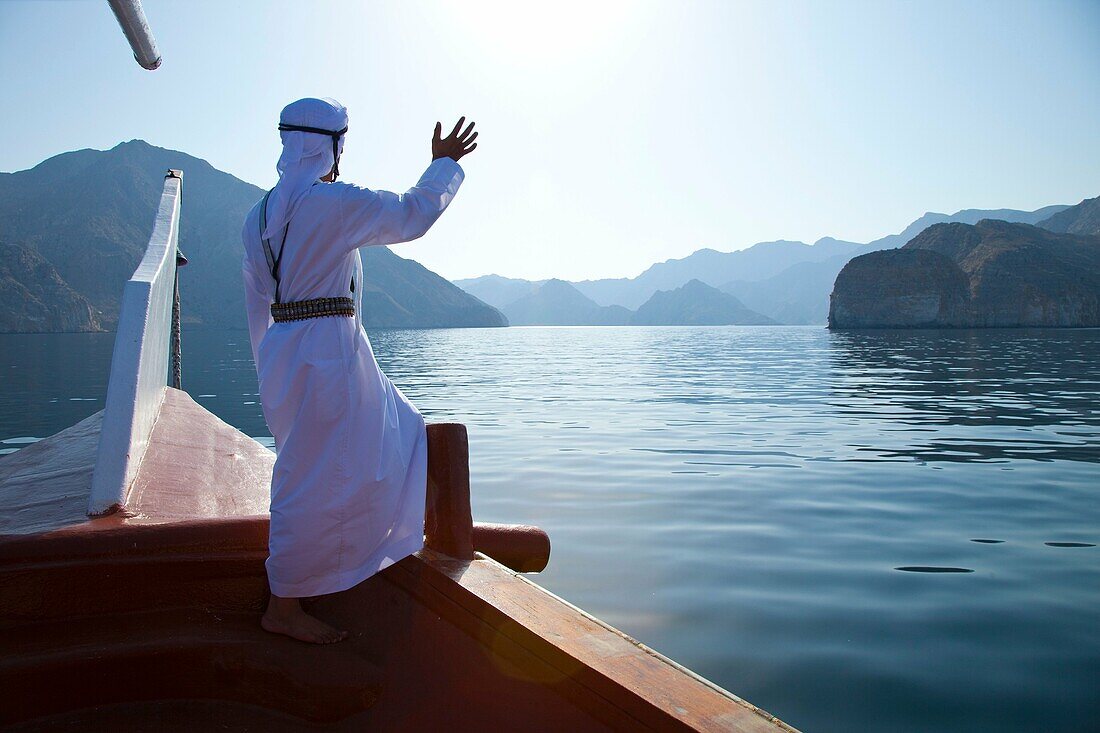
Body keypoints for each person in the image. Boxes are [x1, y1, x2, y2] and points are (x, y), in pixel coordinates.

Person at [240, 97, 477, 644]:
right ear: (332, 145)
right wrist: (443, 164)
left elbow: (256, 306)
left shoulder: (256, 219)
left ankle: (371, 548)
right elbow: (411, 214)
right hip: (330, 353)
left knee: (399, 427)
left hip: (284, 351)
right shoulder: (332, 203)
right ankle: (285, 605)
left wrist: (269, 372)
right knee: (308, 477)